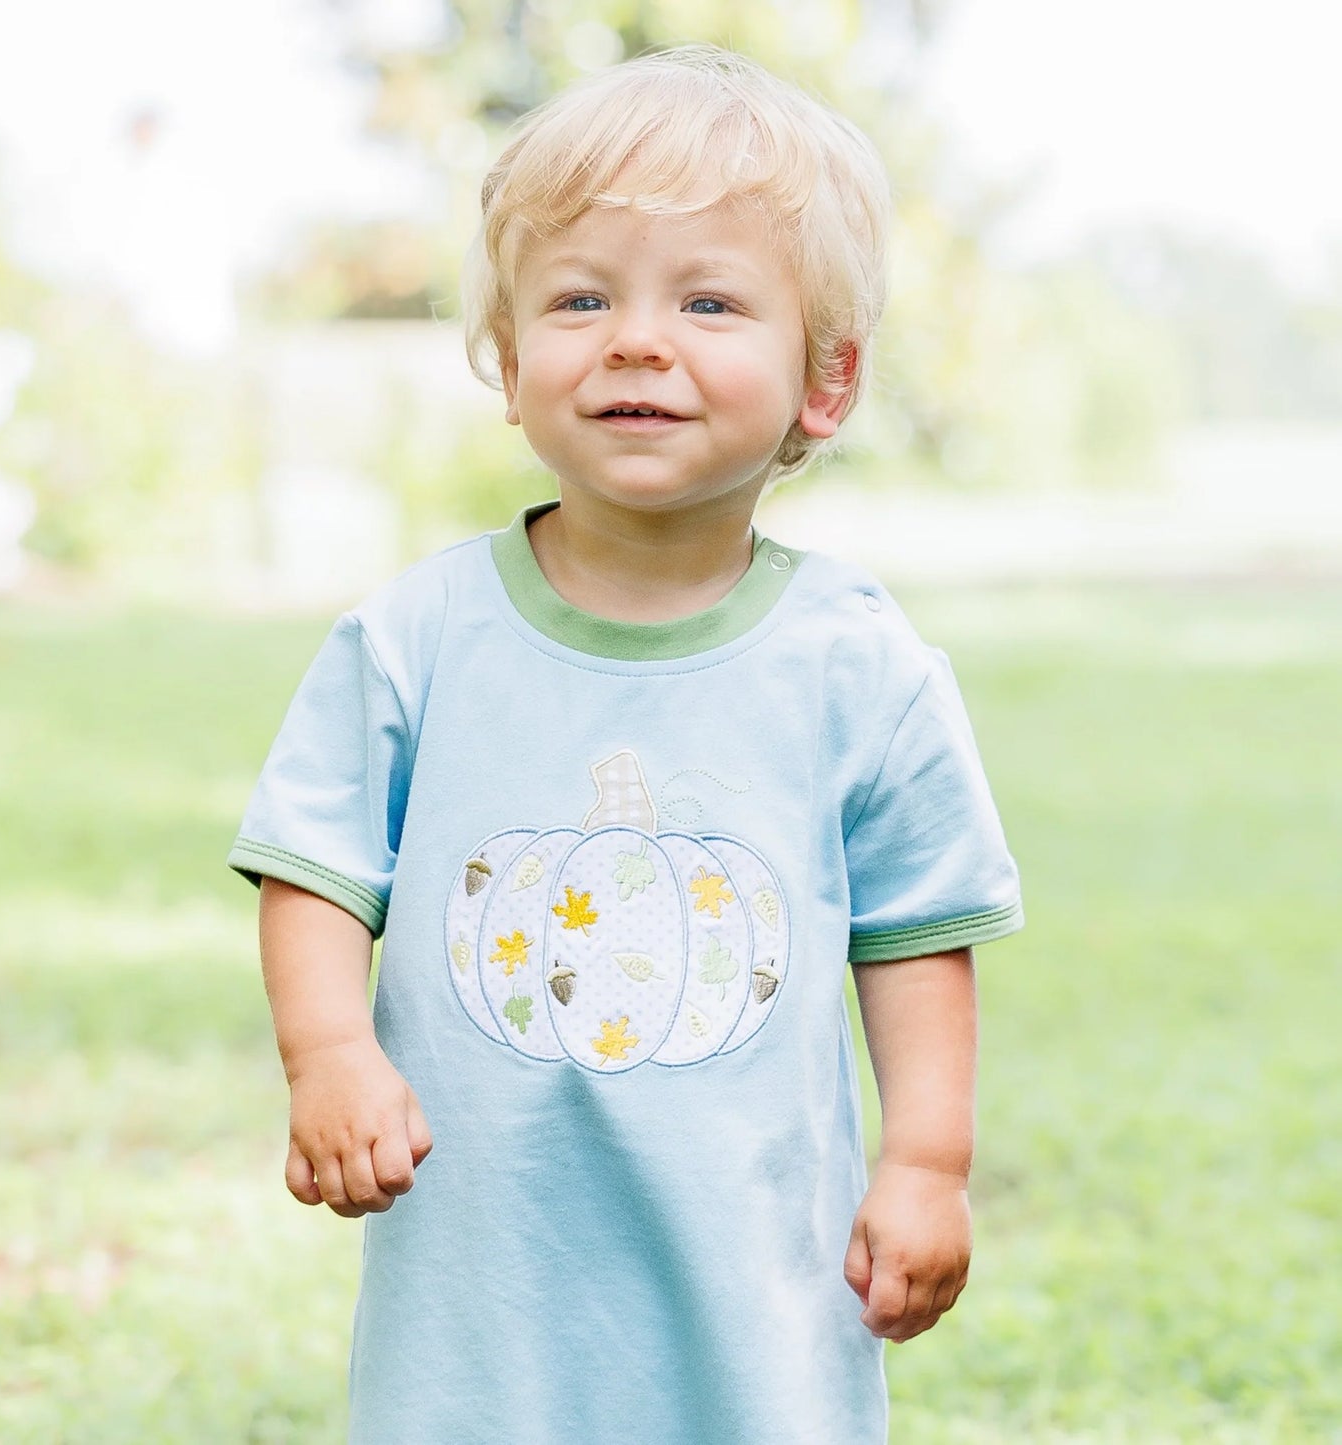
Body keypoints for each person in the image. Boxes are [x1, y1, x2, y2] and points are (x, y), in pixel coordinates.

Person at [228, 44, 1022, 1443]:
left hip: (754, 1262)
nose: (636, 340)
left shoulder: (855, 661)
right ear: (509, 362)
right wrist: (328, 1052)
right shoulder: (417, 635)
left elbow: (915, 930)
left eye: (708, 301)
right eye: (580, 298)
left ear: (821, 384)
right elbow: (318, 864)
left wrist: (926, 1159)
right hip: (483, 1269)